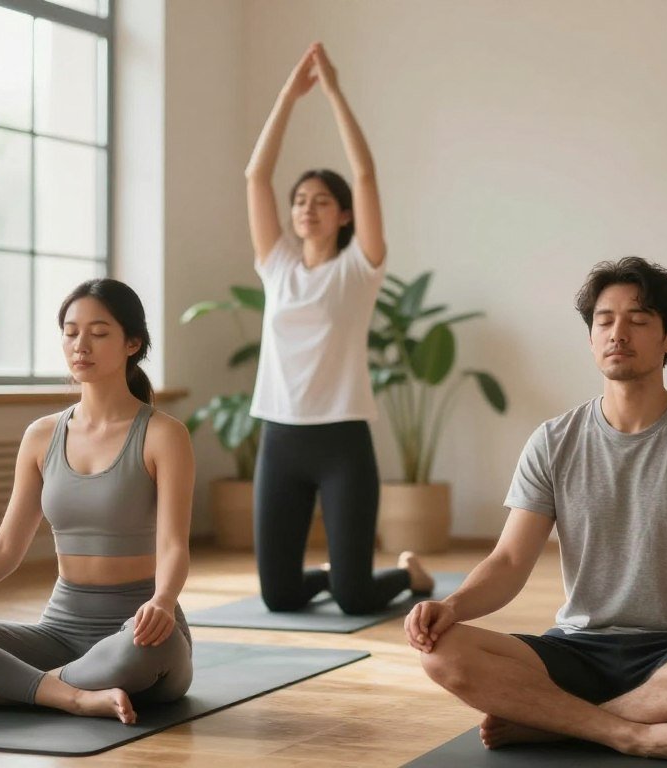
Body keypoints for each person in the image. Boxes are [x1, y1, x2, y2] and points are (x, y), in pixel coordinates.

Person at [405, 258, 667, 768]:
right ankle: (628, 733)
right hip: (577, 648)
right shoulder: (553, 441)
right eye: (604, 320)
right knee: (441, 651)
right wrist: (453, 607)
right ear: (591, 337)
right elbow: (510, 561)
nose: (617, 332)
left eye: (638, 320)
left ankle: (556, 724)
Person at [0, 279, 195, 725]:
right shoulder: (41, 435)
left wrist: (162, 601)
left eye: (99, 333)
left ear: (132, 343)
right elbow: (6, 549)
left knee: (148, 650)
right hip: (59, 633)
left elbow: (174, 545)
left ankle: (22, 688)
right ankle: (69, 695)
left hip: (139, 632)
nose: (81, 344)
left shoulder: (164, 434)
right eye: (70, 331)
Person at [244, 42, 432, 614]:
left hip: (342, 441)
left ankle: (406, 575)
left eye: (322, 200)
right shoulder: (276, 265)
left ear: (344, 214)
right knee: (279, 598)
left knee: (355, 599)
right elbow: (256, 175)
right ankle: (334, 572)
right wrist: (286, 97)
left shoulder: (359, 269)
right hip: (280, 438)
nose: (306, 208)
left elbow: (366, 173)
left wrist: (331, 93)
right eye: (300, 200)